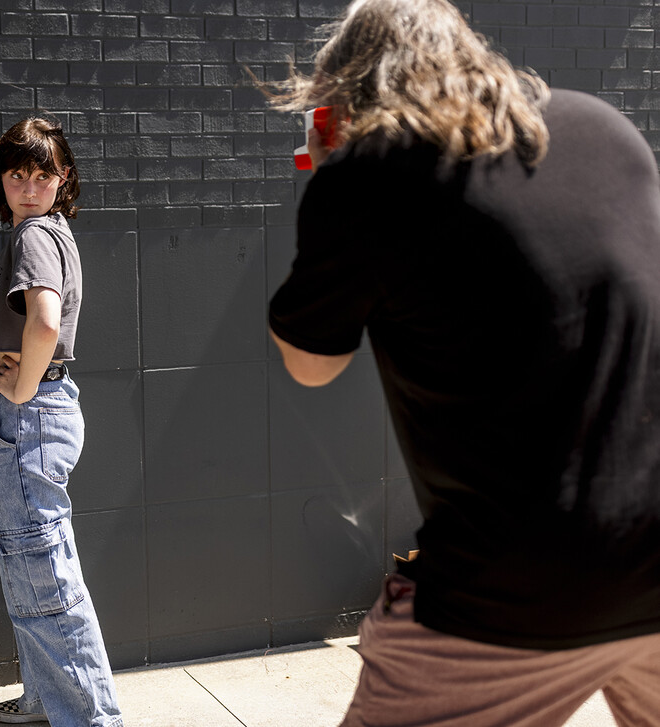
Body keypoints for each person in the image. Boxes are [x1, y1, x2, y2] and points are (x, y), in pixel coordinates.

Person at [265, 0, 660, 724]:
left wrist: (331, 172)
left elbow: (309, 362)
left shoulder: (367, 175)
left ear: (346, 94)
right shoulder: (606, 129)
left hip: (510, 590)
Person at [0, 117, 123, 727]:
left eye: (43, 174)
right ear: (2, 180)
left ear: (63, 179)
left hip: (31, 413)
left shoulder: (35, 234)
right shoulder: (51, 231)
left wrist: (23, 387)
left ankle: (94, 720)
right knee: (29, 562)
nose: (30, 187)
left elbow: (45, 322)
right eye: (17, 175)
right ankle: (42, 700)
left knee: (43, 569)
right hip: (40, 411)